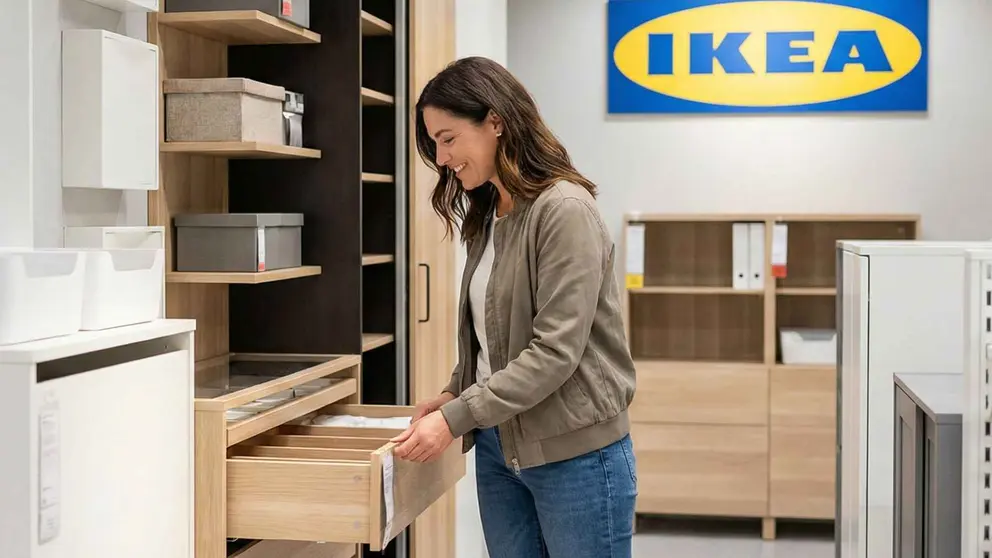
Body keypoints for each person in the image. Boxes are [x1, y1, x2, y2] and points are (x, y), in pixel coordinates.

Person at [389, 56, 638, 558]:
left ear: (496, 122)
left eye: (448, 138)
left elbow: (554, 352)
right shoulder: (487, 217)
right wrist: (455, 390)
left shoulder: (564, 210)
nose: (441, 158)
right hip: (500, 450)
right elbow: (494, 335)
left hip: (578, 458)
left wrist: (457, 416)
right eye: (434, 143)